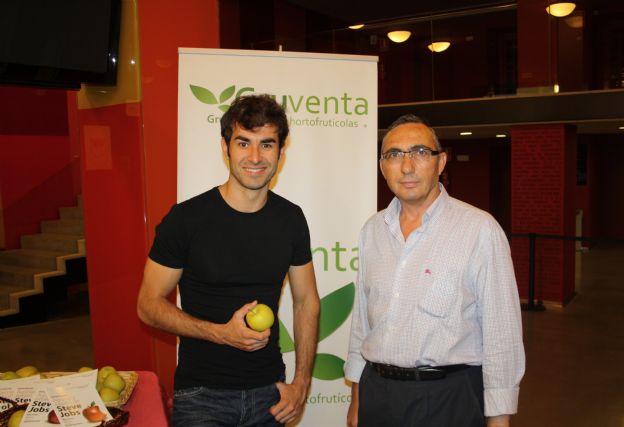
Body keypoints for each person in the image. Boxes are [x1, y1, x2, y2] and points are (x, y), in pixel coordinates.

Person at [137, 94, 320, 427]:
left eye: (267, 144)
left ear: (281, 151)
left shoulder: (291, 219)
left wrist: (302, 384)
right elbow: (147, 304)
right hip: (201, 397)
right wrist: (220, 333)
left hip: (270, 394)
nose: (255, 157)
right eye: (243, 143)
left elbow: (306, 300)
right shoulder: (186, 219)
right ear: (225, 147)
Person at [344, 114, 525, 427]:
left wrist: (499, 419)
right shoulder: (372, 230)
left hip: (448, 398)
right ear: (382, 167)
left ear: (441, 162)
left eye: (420, 153)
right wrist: (358, 398)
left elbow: (502, 334)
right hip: (378, 394)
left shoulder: (479, 229)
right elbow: (363, 323)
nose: (407, 166)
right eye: (394, 155)